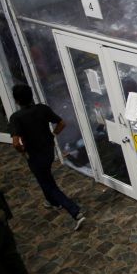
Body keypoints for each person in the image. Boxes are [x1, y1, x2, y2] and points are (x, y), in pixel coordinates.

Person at [9, 84, 85, 231]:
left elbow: (16, 143)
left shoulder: (16, 118)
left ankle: (75, 212)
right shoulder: (42, 109)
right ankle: (52, 201)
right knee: (45, 177)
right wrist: (52, 135)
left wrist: (22, 151)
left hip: (34, 154)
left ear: (17, 100)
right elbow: (61, 123)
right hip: (49, 150)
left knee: (48, 184)